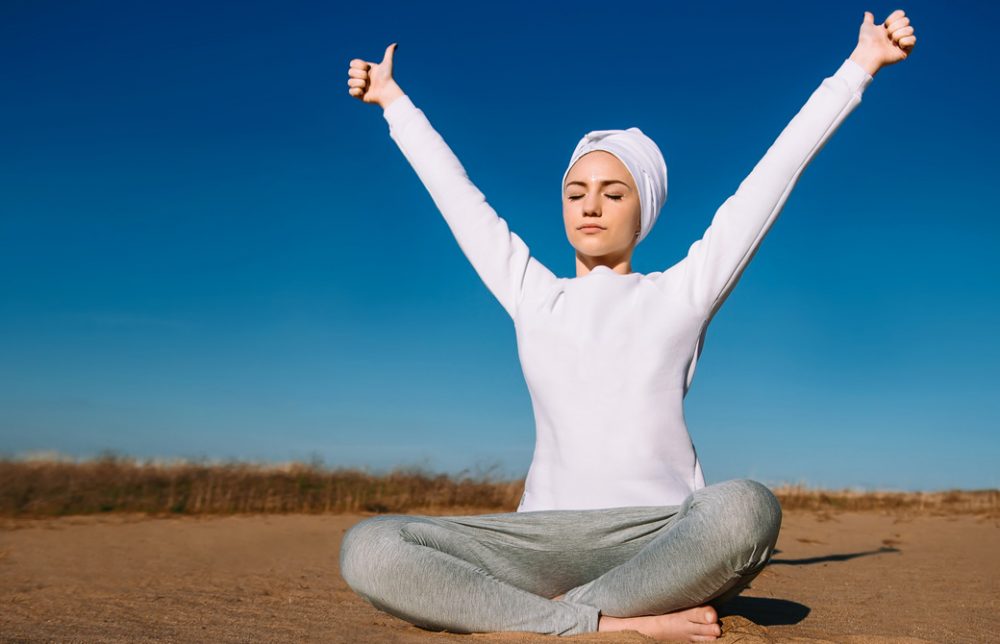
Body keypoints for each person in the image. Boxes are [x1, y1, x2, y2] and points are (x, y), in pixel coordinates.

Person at [339, 9, 916, 642]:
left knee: (747, 507)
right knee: (371, 545)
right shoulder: (534, 292)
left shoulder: (681, 292)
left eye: (614, 192)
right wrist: (394, 101)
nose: (590, 204)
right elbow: (458, 196)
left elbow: (771, 176)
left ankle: (548, 618)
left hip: (660, 536)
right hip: (537, 539)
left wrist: (859, 67)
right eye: (576, 190)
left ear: (643, 208)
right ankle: (607, 622)